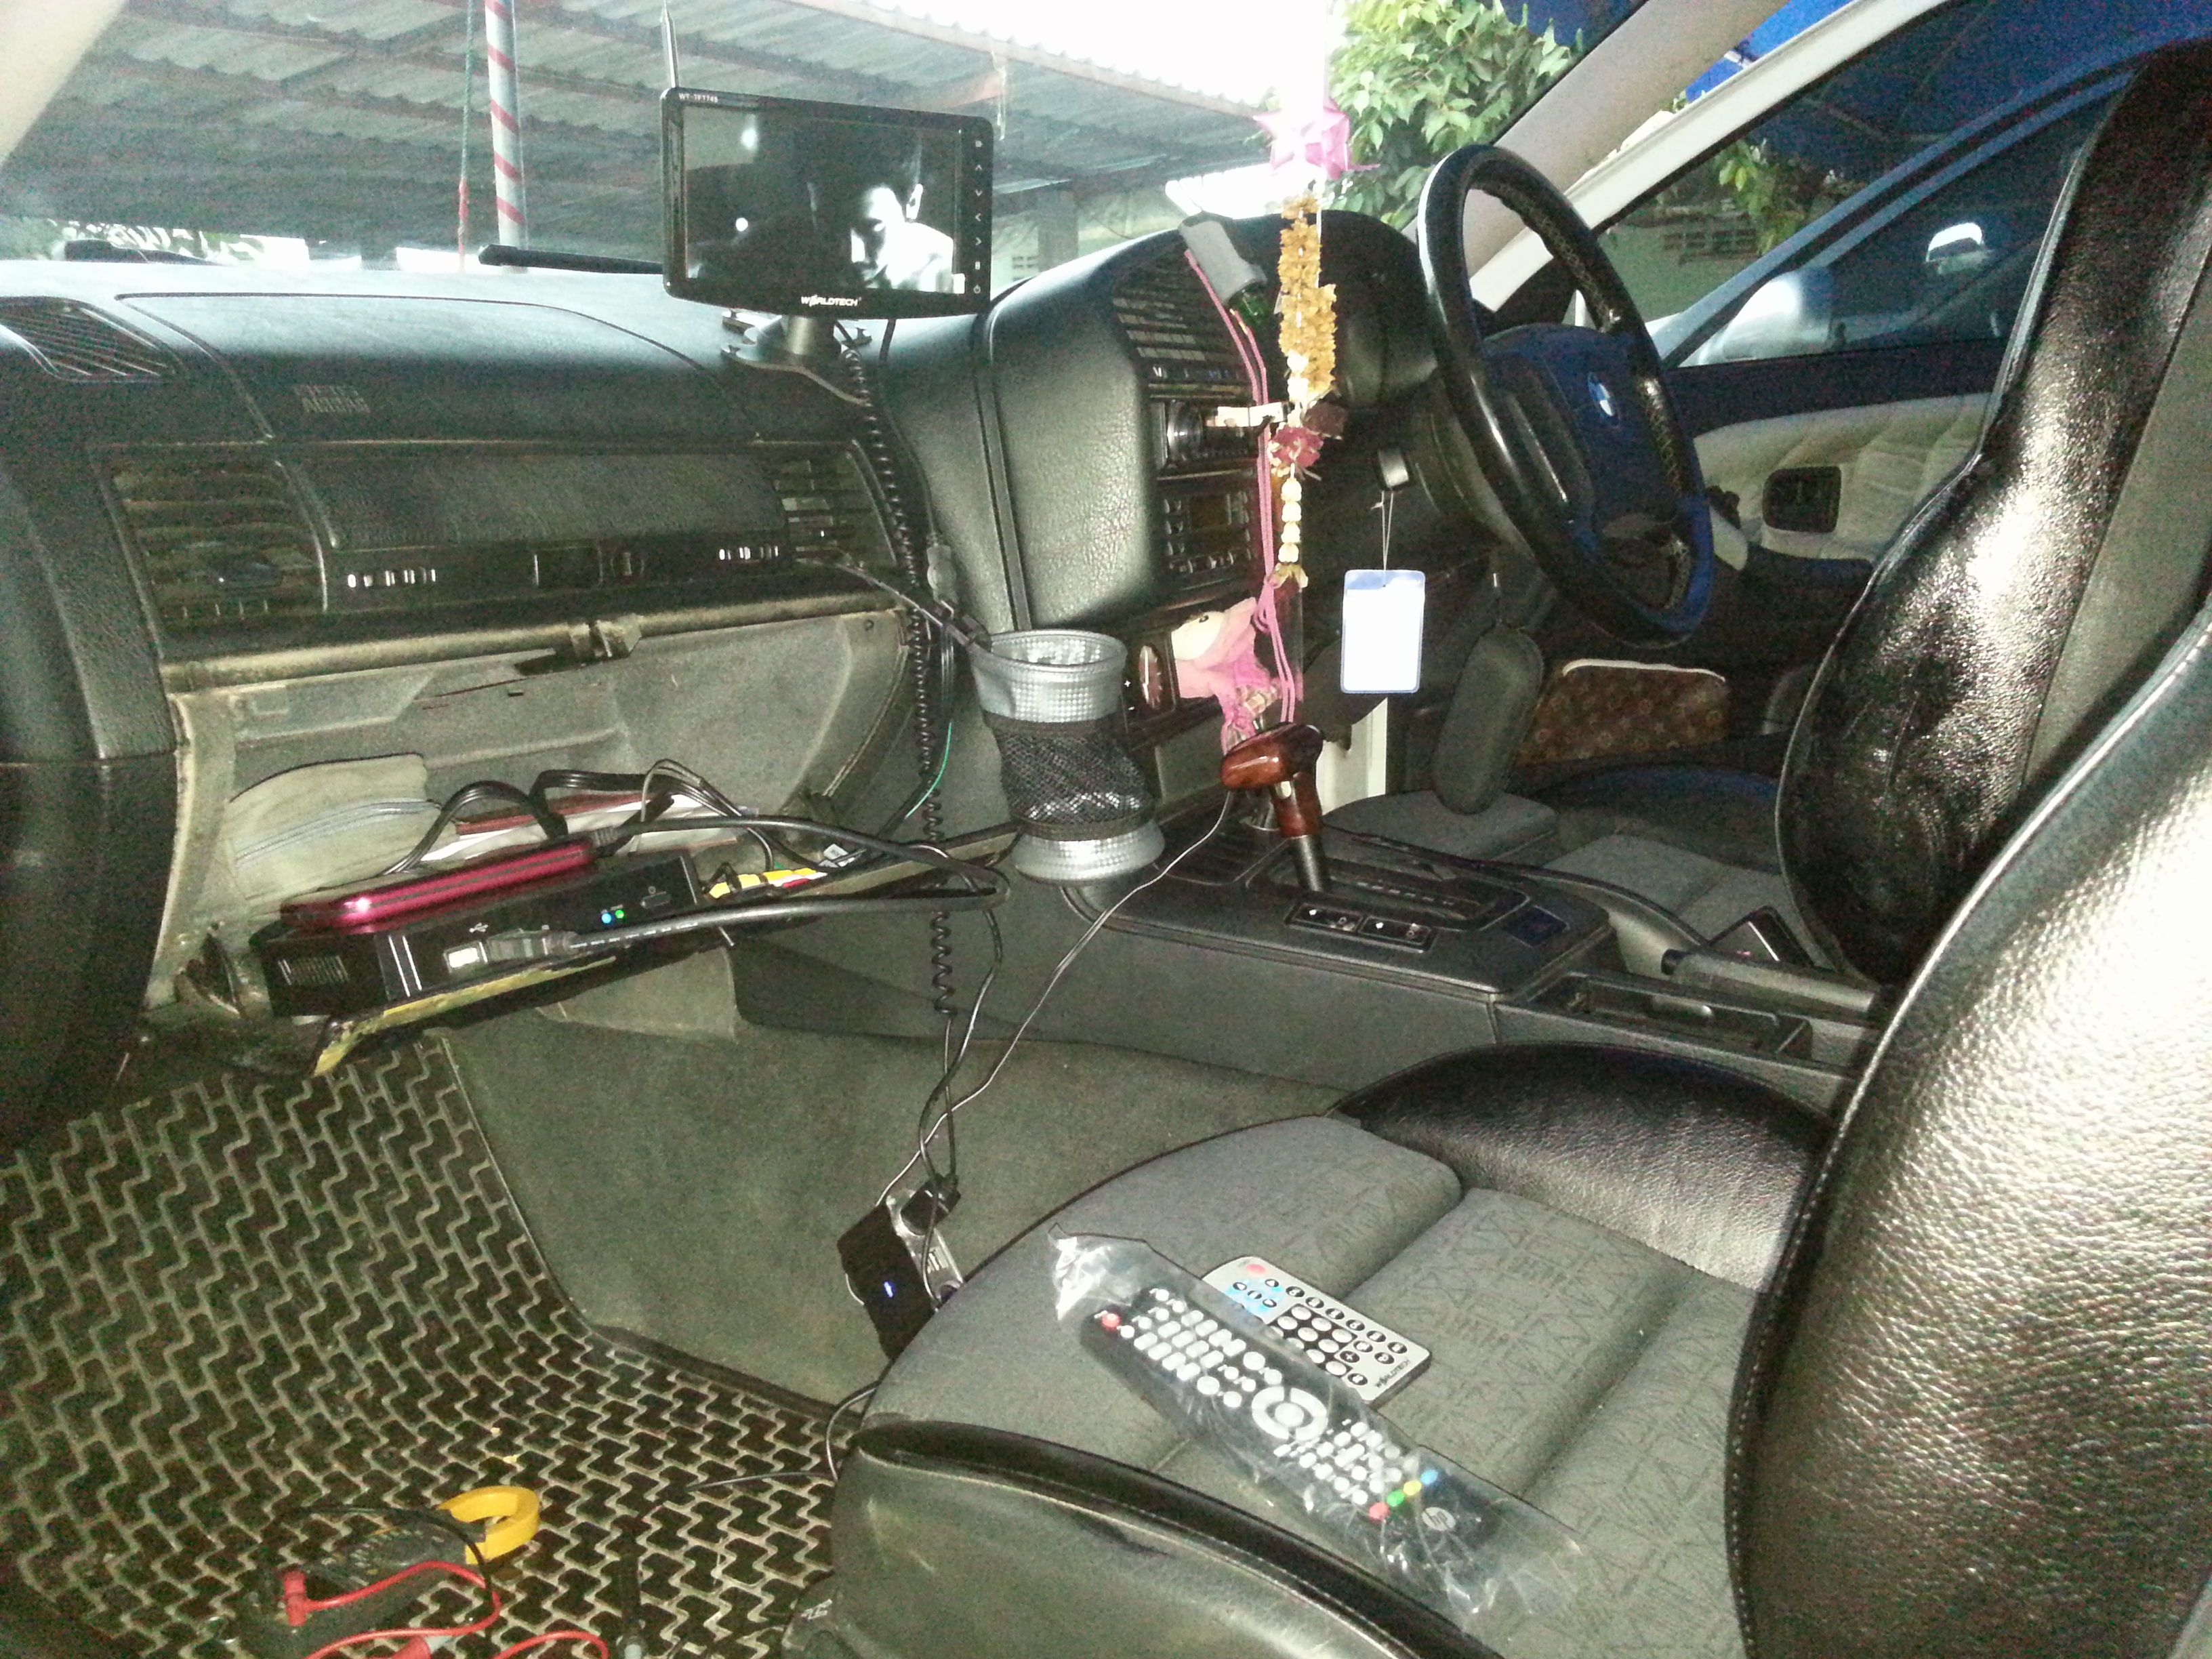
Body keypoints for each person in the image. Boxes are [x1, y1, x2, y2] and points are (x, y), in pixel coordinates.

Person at [844, 157, 956, 293]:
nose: (854, 257)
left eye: (871, 228)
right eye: (835, 229)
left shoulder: (950, 270)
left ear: (912, 203)